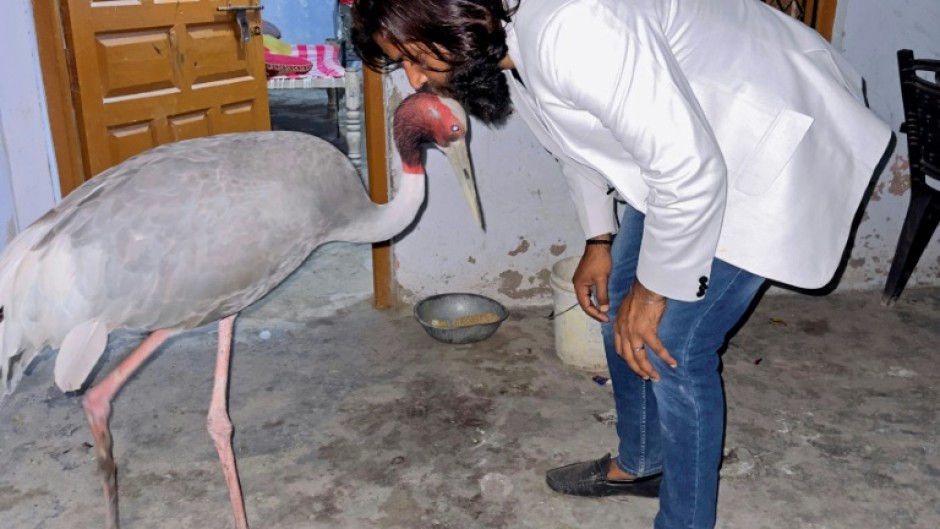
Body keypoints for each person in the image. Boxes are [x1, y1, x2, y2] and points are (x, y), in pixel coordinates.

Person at [351, 0, 893, 527]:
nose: (415, 80)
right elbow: (575, 142)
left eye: (416, 58)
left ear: (454, 21)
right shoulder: (509, 35)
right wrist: (599, 239)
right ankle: (642, 465)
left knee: (673, 346)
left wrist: (654, 295)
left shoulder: (575, 27)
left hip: (768, 140)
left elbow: (689, 171)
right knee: (620, 308)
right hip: (691, 153)